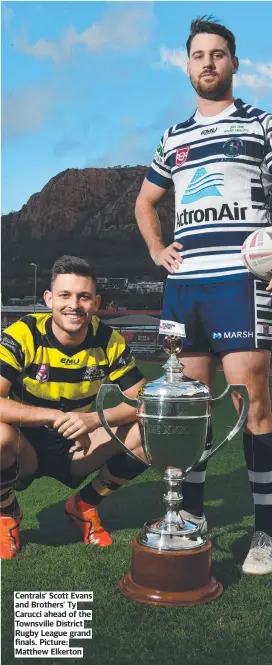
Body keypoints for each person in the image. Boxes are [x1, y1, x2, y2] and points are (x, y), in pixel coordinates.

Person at [135, 16, 272, 574]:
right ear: (187, 64)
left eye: (219, 54)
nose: (209, 63)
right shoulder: (173, 137)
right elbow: (145, 203)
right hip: (185, 287)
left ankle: (265, 535)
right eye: (199, 55)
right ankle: (189, 522)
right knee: (189, 413)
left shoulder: (262, 126)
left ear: (235, 63)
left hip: (242, 286)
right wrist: (156, 250)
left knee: (254, 409)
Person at [0, 255, 148, 559]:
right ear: (49, 299)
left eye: (83, 297)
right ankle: (6, 514)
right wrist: (56, 416)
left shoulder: (109, 340)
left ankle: (84, 506)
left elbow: (146, 399)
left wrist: (94, 419)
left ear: (95, 302)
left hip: (78, 446)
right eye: (65, 295)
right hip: (24, 444)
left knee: (151, 431)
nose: (74, 305)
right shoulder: (23, 334)